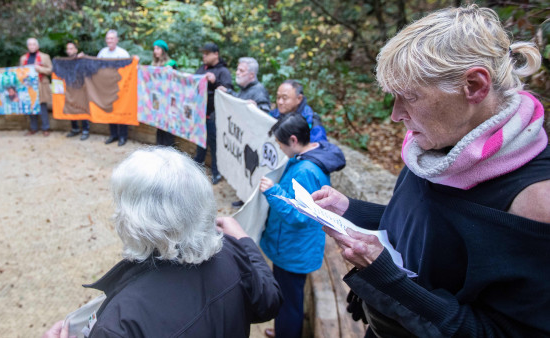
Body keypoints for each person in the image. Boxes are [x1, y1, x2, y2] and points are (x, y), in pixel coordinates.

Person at [311, 5, 550, 337]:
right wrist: (350, 209)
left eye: (408, 97)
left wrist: (389, 281)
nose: (396, 116)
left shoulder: (535, 203)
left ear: (475, 86)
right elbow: (421, 225)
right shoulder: (435, 148)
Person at [42, 147, 283, 338]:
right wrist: (243, 240)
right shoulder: (231, 250)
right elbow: (269, 301)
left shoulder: (120, 322)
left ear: (134, 219)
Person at [258, 113, 345, 338]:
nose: (280, 148)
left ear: (294, 140)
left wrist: (273, 191)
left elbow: (302, 216)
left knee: (288, 301)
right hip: (296, 246)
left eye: (281, 144)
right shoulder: (309, 156)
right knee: (290, 297)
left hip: (294, 249)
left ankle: (286, 333)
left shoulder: (306, 171)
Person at [218, 56, 272, 206]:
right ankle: (243, 196)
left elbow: (266, 117)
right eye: (237, 69)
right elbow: (242, 103)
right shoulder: (245, 89)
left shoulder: (259, 91)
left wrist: (257, 110)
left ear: (251, 75)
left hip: (253, 144)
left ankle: (249, 201)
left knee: (251, 172)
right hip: (244, 140)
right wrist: (228, 92)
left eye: (241, 70)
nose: (237, 73)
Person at [194, 42, 233, 185]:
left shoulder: (223, 71)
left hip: (215, 116)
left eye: (207, 53)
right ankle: (196, 165)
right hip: (200, 114)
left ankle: (216, 173)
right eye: (203, 53)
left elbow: (228, 91)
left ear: (216, 54)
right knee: (200, 142)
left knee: (215, 145)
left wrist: (215, 82)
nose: (203, 56)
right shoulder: (201, 69)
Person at [97, 30, 131, 147]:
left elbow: (129, 68)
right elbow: (96, 66)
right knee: (110, 110)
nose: (109, 41)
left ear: (116, 40)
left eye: (112, 38)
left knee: (121, 110)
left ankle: (123, 136)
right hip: (107, 88)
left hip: (120, 88)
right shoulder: (102, 52)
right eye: (108, 38)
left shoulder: (123, 53)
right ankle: (113, 135)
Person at [19, 38, 53, 137]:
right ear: (27, 46)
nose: (32, 46)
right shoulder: (23, 58)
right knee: (31, 107)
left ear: (37, 46)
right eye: (30, 45)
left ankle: (45, 128)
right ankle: (33, 128)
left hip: (41, 84)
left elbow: (50, 70)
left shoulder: (44, 57)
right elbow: (20, 72)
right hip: (29, 86)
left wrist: (40, 69)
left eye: (34, 44)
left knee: (42, 107)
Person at [151, 39, 178, 147]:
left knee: (168, 126)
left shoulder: (171, 63)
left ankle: (169, 148)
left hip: (168, 99)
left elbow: (176, 82)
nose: (155, 51)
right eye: (154, 48)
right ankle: (159, 146)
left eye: (157, 48)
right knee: (159, 125)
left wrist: (171, 71)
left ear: (163, 50)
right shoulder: (153, 64)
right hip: (157, 99)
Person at [64, 42, 90, 140]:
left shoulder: (82, 59)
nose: (70, 50)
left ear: (76, 50)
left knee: (82, 108)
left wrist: (84, 57)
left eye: (72, 48)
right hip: (70, 89)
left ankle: (85, 130)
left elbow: (93, 63)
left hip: (81, 89)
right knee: (72, 108)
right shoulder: (65, 62)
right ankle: (74, 129)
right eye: (68, 49)